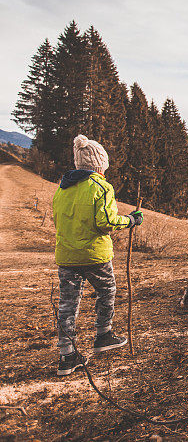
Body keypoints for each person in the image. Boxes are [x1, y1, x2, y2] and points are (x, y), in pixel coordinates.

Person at [52, 135, 143, 376]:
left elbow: (58, 221)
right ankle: (104, 334)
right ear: (99, 164)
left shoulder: (62, 188)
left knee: (68, 304)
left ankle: (66, 355)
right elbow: (107, 222)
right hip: (94, 255)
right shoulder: (101, 187)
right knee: (107, 291)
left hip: (66, 256)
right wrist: (131, 220)